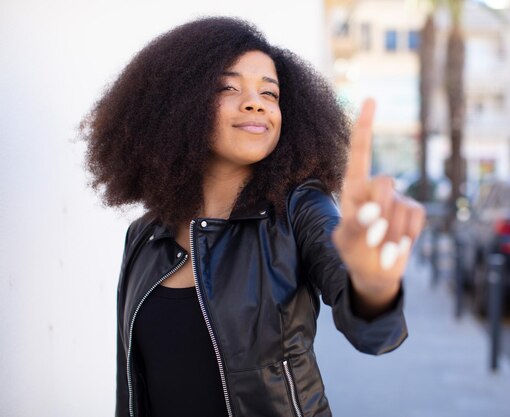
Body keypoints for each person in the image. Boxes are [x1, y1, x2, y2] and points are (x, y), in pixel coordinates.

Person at [82, 16, 425, 417]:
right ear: (177, 104)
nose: (256, 102)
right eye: (228, 87)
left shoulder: (299, 208)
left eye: (270, 93)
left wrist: (373, 287)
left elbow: (374, 336)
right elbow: (131, 388)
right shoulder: (144, 235)